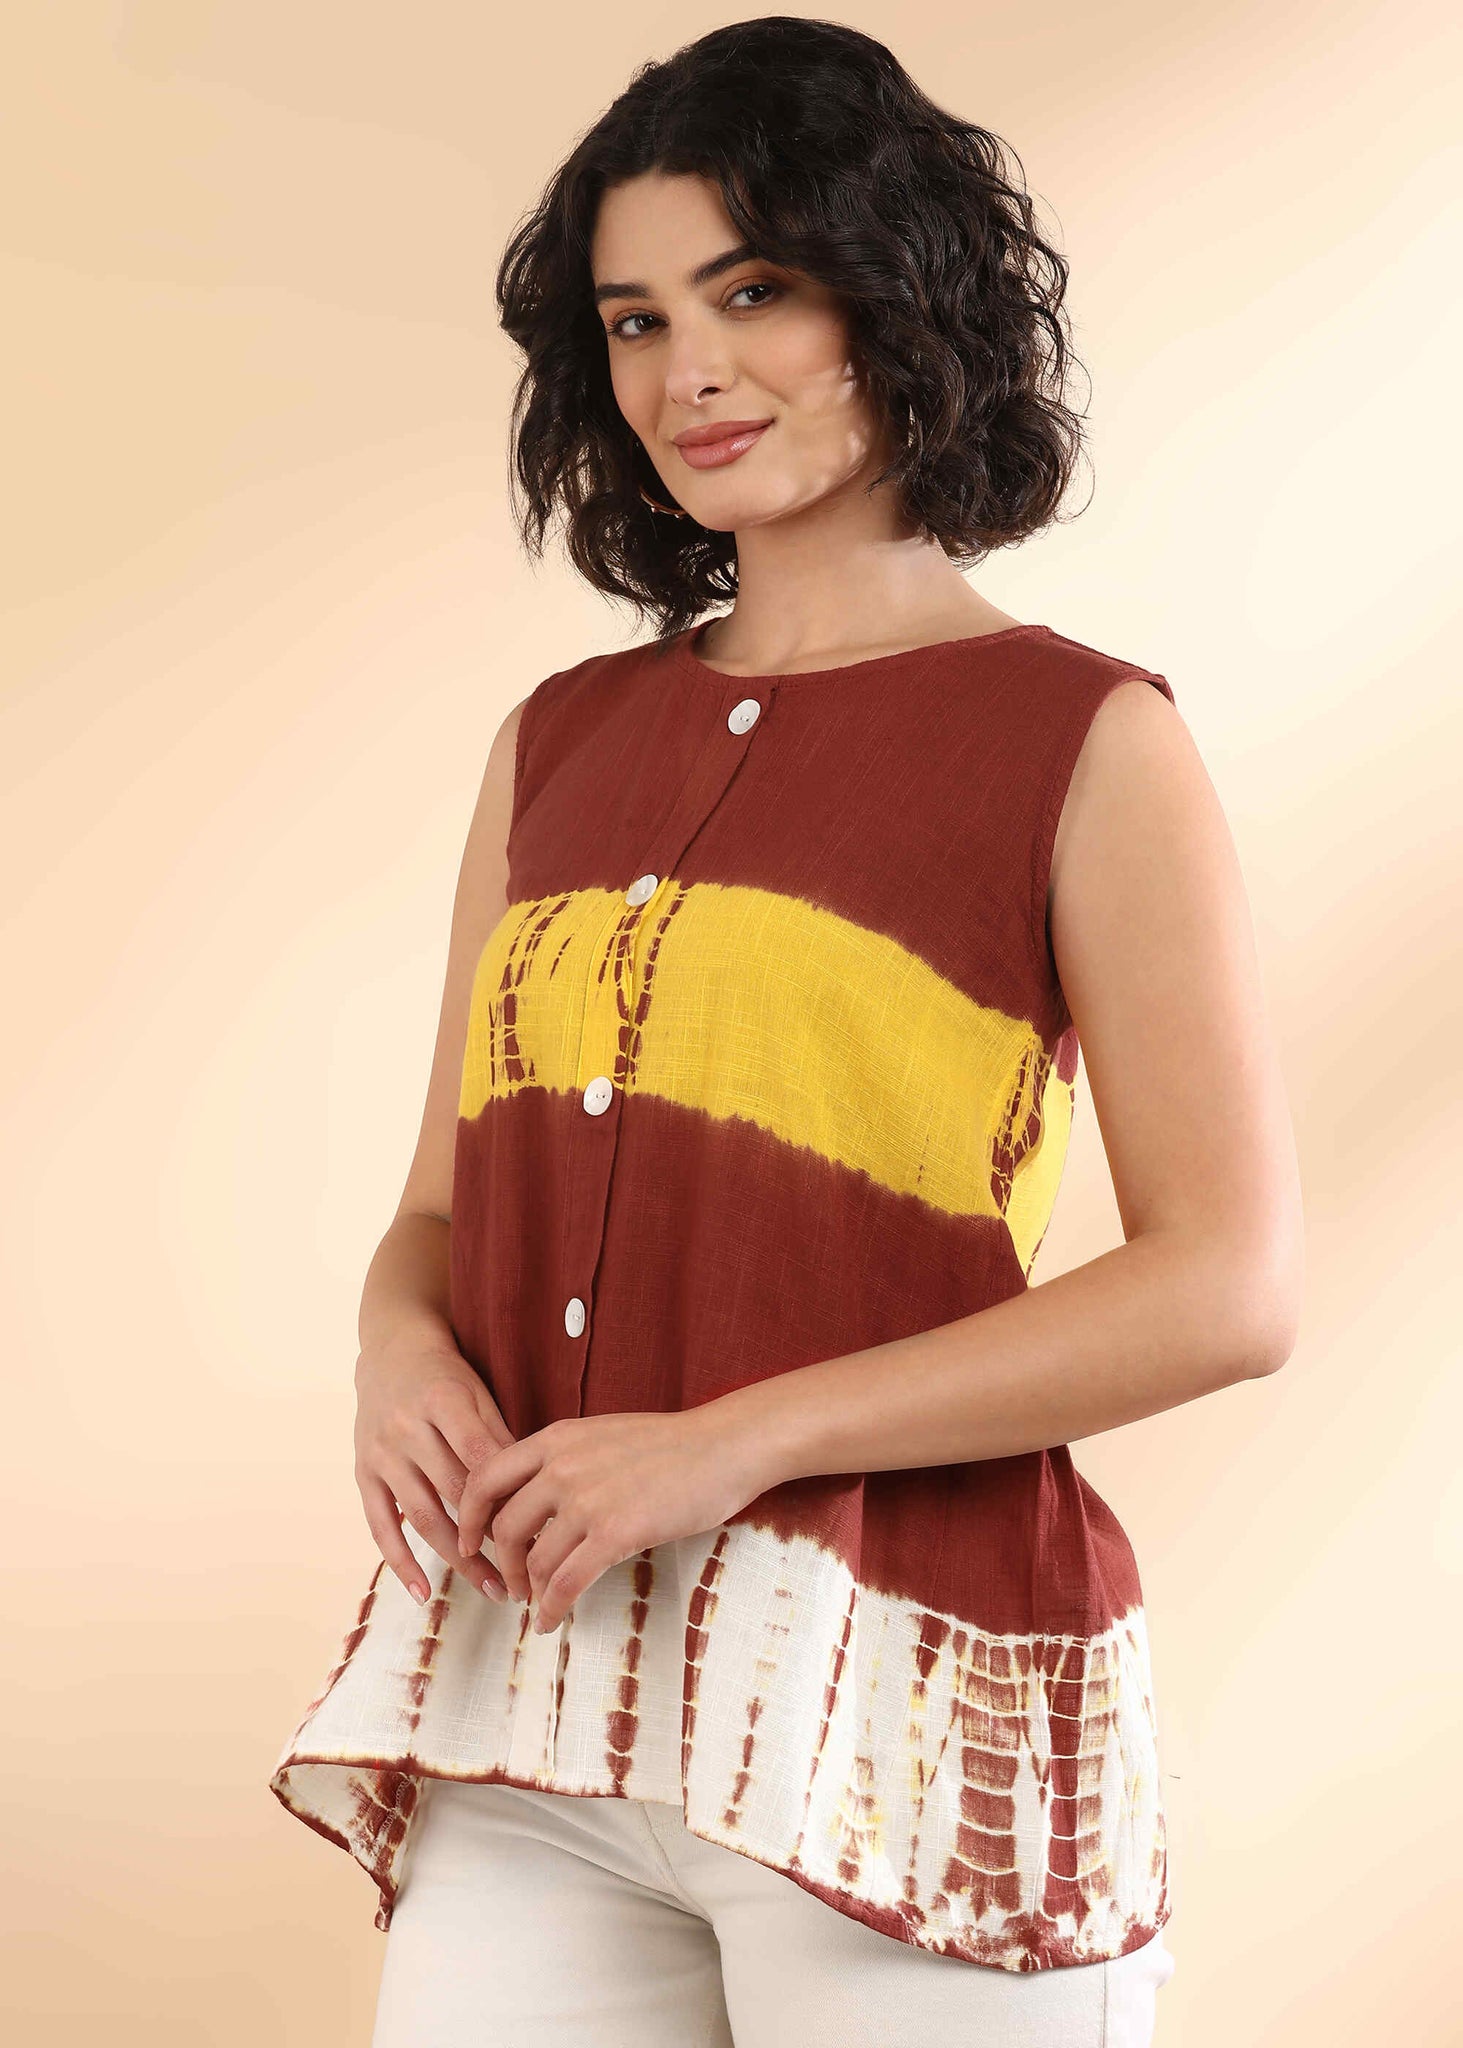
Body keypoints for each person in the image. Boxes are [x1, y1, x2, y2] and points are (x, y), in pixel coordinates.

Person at [269, 19, 1304, 2046]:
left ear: (898, 295)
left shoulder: (1083, 741)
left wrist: (730, 1444)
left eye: (755, 291)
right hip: (541, 1713)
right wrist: (396, 1355)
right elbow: (440, 1211)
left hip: (906, 1715)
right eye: (636, 320)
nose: (691, 372)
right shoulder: (557, 743)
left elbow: (1229, 1286)